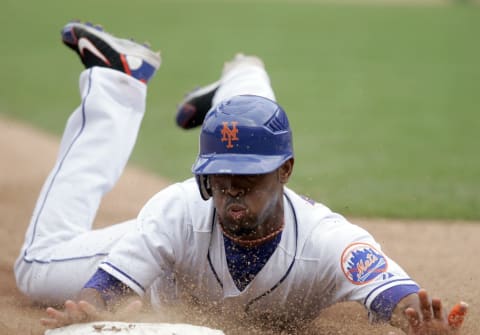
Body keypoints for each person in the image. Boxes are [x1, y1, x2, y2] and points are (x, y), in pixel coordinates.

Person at [14, 21, 468, 334]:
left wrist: (418, 321)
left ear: (286, 171)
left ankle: (245, 75)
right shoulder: (175, 212)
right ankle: (117, 82)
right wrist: (90, 313)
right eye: (220, 174)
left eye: (249, 176)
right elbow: (103, 293)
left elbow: (399, 297)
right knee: (35, 269)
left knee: (252, 130)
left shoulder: (328, 242)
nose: (231, 186)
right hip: (162, 262)